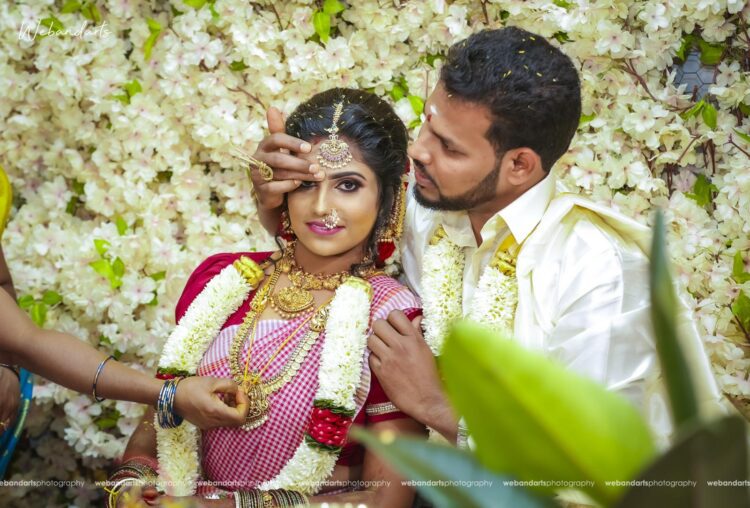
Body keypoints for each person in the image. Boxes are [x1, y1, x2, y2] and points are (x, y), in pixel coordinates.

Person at [250, 26, 725, 451]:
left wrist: (437, 406)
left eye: (449, 147)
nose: (418, 151)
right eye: (427, 125)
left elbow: (585, 462)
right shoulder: (428, 210)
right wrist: (275, 196)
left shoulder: (600, 272)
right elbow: (338, 243)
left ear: (519, 166)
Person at [113, 88, 424, 508]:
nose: (321, 207)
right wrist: (135, 478)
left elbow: (386, 499)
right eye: (306, 185)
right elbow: (164, 408)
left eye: (348, 185)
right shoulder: (225, 280)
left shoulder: (390, 319)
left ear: (388, 197)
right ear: (283, 188)